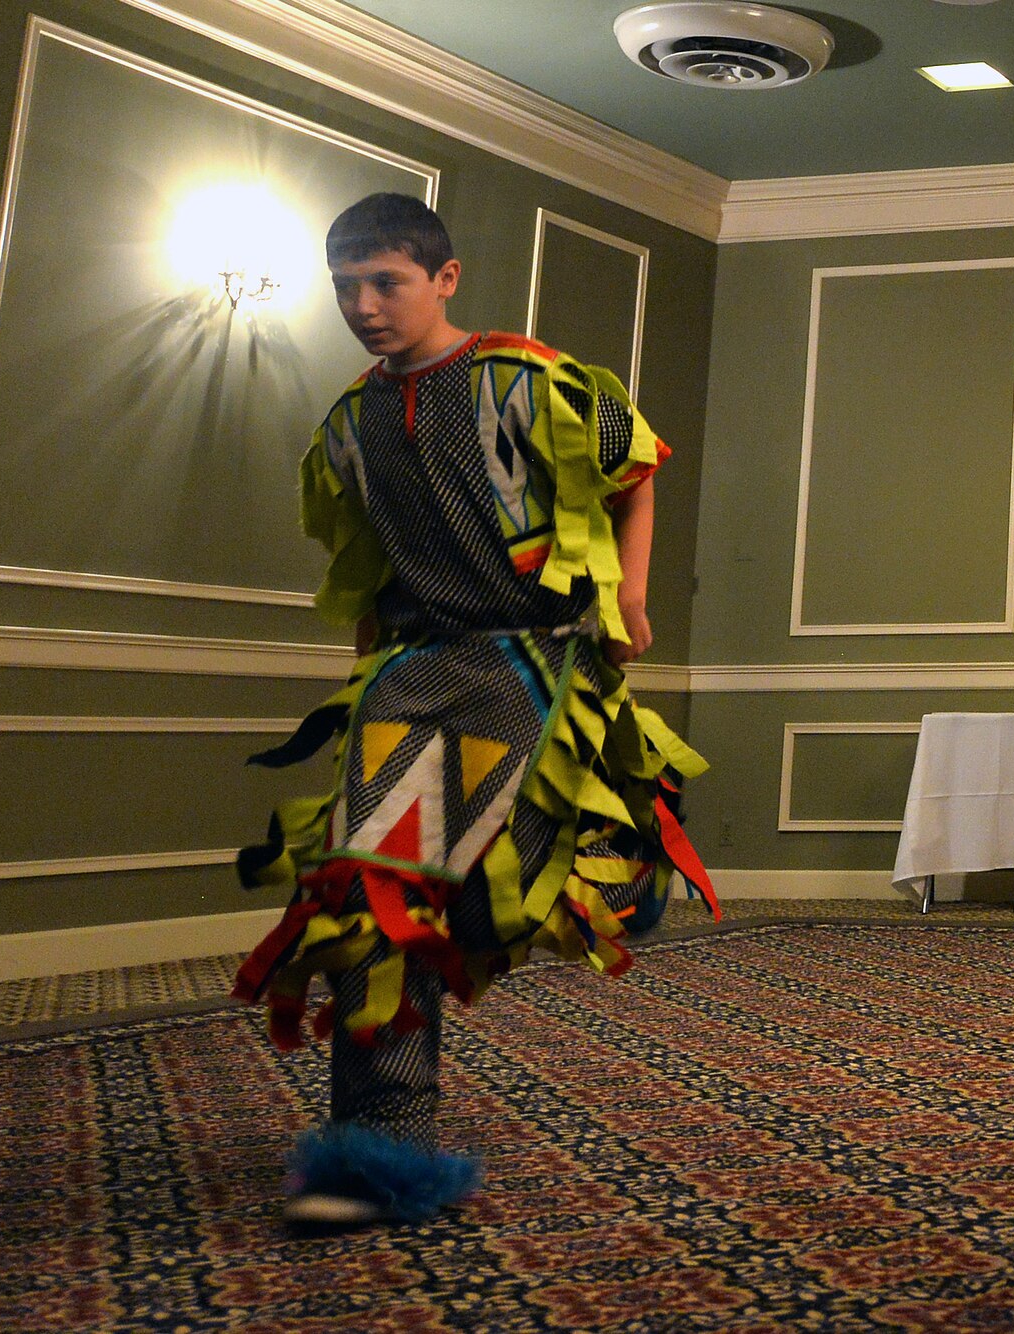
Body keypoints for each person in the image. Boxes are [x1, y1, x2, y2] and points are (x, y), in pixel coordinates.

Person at [231, 193, 715, 1227]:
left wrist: (627, 591)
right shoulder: (350, 422)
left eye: (386, 283)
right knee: (374, 909)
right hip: (407, 675)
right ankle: (376, 1153)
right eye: (345, 286)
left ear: (444, 278)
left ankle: (624, 855)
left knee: (516, 887)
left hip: (530, 664)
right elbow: (365, 564)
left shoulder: (527, 378)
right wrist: (367, 676)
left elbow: (636, 466)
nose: (363, 305)